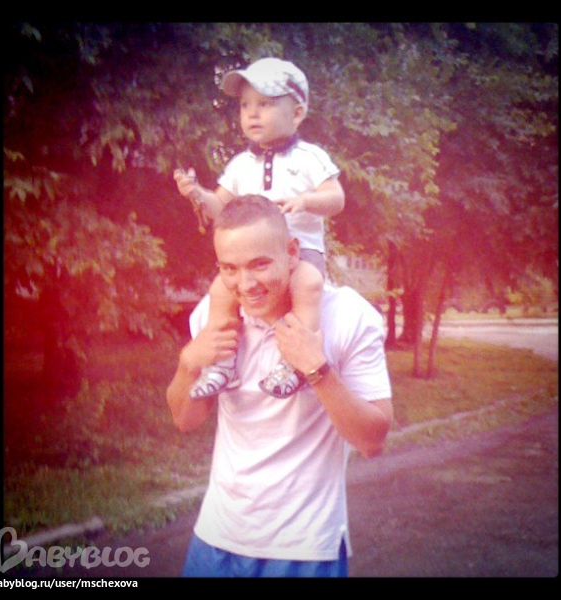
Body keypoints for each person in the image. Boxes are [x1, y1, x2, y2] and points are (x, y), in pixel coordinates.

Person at [166, 195, 393, 578]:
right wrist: (189, 362)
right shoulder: (213, 316)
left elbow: (373, 441)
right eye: (230, 268)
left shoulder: (346, 316)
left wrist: (317, 370)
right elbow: (185, 420)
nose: (246, 285)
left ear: (291, 253)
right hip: (216, 540)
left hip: (304, 549)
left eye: (259, 264)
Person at [174, 57, 345, 400]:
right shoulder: (240, 165)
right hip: (252, 260)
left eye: (264, 104)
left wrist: (307, 201)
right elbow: (220, 207)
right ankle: (222, 364)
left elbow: (336, 198)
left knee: (308, 285)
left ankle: (294, 363)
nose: (252, 113)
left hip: (301, 253)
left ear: (296, 113)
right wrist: (198, 194)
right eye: (245, 105)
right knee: (220, 291)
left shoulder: (309, 157)